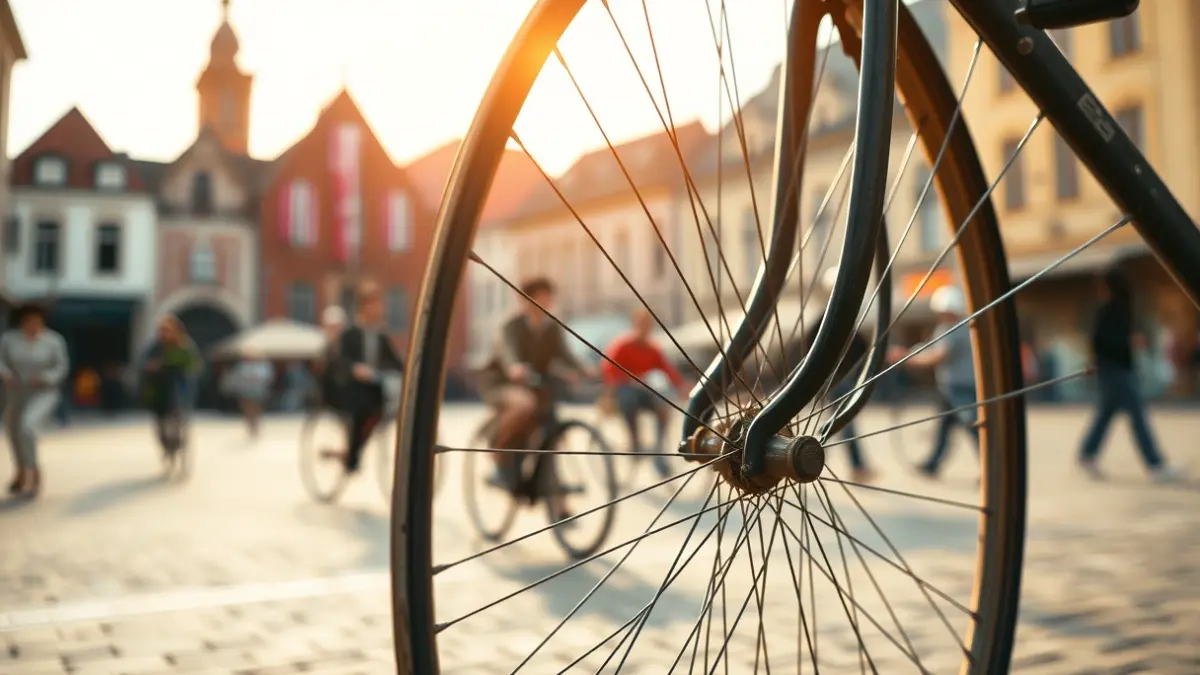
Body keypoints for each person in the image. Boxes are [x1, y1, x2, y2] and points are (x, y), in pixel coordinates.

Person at [478, 277, 591, 492]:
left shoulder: (551, 327)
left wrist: (584, 369)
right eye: (539, 298)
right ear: (526, 300)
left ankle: (555, 495)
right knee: (524, 404)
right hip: (502, 383)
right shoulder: (512, 326)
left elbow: (565, 354)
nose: (545, 303)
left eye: (548, 298)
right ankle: (498, 453)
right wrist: (515, 367)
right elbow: (507, 351)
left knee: (551, 425)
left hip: (536, 385)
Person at [1078, 267, 1180, 481]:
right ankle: (1156, 465)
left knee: (1106, 414)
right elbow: (1100, 343)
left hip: (1117, 370)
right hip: (1115, 372)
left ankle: (1087, 454)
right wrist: (1127, 343)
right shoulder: (1109, 311)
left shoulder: (1118, 309)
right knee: (1138, 416)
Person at [888, 285, 979, 479]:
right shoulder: (956, 327)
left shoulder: (955, 329)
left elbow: (938, 356)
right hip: (951, 386)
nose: (939, 315)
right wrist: (910, 353)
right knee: (945, 426)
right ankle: (933, 464)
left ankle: (992, 467)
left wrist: (907, 358)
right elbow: (930, 348)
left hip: (961, 387)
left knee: (973, 427)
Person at [802, 267, 876, 483]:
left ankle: (814, 458)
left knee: (838, 424)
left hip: (839, 380)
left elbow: (810, 347)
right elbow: (860, 347)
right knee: (844, 424)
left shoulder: (834, 317)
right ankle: (819, 459)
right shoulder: (832, 317)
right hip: (837, 382)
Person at [601, 308, 688, 478]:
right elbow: (608, 368)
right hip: (623, 391)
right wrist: (628, 379)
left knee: (663, 403)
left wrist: (682, 385)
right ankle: (634, 440)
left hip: (644, 391)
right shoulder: (622, 345)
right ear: (635, 325)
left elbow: (667, 369)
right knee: (628, 397)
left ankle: (659, 451)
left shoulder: (652, 349)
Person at [331, 281, 405, 475]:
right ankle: (352, 457)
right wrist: (355, 369)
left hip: (374, 384)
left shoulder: (381, 334)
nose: (379, 309)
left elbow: (395, 361)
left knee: (382, 405)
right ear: (363, 307)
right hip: (351, 385)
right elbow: (340, 359)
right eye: (373, 304)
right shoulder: (350, 333)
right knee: (362, 409)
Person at [0, 302, 70, 497]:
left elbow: (61, 367)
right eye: (29, 321)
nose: (33, 325)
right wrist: (5, 374)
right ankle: (20, 471)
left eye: (37, 321)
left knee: (27, 427)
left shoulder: (54, 341)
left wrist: (46, 377)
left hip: (43, 392)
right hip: (16, 393)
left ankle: (33, 471)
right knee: (13, 433)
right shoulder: (9, 340)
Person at [141, 315, 203, 458]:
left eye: (168, 330)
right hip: (159, 386)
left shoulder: (185, 346)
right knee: (160, 422)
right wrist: (152, 367)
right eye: (163, 331)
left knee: (178, 413)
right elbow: (143, 363)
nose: (165, 334)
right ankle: (166, 445)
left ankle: (178, 438)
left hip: (180, 386)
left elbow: (195, 365)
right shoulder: (155, 347)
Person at [223, 349, 274, 439]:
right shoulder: (242, 366)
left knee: (255, 409)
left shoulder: (263, 365)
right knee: (247, 409)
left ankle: (255, 426)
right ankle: (250, 426)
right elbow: (235, 378)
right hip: (245, 391)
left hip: (257, 391)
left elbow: (268, 378)